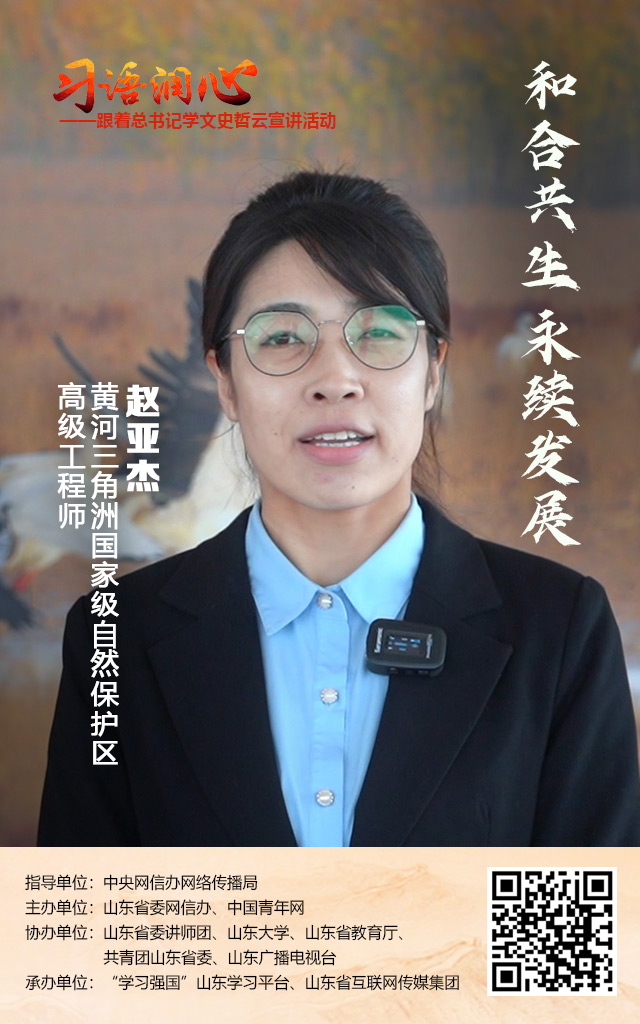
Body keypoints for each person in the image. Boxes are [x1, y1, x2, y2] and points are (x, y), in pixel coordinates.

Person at [38, 169, 640, 846]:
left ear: (433, 372)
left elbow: (582, 916)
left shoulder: (558, 632)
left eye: (378, 332)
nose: (334, 380)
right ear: (225, 384)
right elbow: (91, 912)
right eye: (281, 338)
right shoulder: (116, 637)